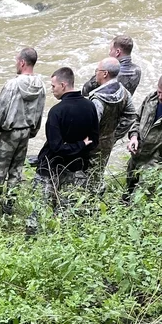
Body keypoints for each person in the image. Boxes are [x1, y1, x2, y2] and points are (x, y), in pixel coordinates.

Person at [0, 46, 45, 216]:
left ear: (22, 62)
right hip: (25, 132)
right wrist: (33, 131)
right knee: (16, 170)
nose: (16, 63)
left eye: (17, 60)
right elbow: (40, 110)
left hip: (8, 133)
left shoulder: (12, 84)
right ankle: (9, 205)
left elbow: (0, 110)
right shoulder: (40, 85)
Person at [32, 67, 99, 217]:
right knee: (67, 210)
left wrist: (78, 145)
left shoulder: (57, 111)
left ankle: (32, 236)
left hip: (51, 166)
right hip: (76, 166)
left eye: (53, 86)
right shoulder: (90, 106)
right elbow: (94, 140)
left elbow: (56, 146)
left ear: (63, 85)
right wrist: (82, 145)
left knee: (38, 207)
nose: (52, 90)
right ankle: (61, 237)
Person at [87, 57, 137, 182]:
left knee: (85, 175)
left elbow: (91, 125)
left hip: (91, 144)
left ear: (105, 73)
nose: (95, 73)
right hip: (108, 141)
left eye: (97, 70)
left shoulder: (97, 98)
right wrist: (114, 134)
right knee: (98, 172)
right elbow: (131, 116)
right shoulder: (124, 92)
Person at [126, 75, 162, 194]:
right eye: (159, 92)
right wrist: (134, 137)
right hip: (137, 155)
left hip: (154, 162)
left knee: (142, 196)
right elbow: (137, 119)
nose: (160, 97)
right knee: (128, 191)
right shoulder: (151, 98)